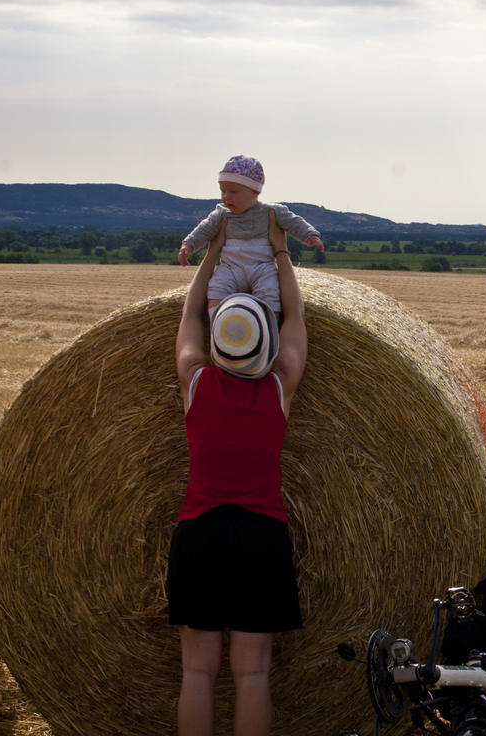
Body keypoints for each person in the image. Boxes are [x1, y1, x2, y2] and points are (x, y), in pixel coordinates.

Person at [165, 157, 322, 736]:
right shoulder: (277, 390)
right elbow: (297, 315)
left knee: (198, 672)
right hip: (261, 535)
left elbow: (188, 313)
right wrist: (279, 251)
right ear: (266, 342)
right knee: (252, 675)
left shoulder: (198, 386)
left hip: (200, 533)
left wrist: (214, 251)